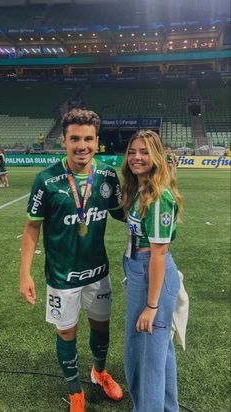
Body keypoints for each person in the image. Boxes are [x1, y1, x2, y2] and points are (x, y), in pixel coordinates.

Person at [20, 109, 124, 412]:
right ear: (63, 141)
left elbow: (121, 212)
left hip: (97, 272)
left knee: (101, 327)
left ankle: (99, 373)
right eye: (75, 138)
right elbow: (31, 228)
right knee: (67, 332)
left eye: (88, 138)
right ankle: (75, 390)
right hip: (62, 277)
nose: (82, 145)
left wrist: (151, 195)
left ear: (97, 141)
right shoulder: (46, 180)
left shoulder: (106, 175)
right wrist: (24, 275)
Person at [121, 129, 183, 412]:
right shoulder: (144, 189)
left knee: (144, 357)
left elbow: (159, 253)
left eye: (144, 152)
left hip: (151, 277)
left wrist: (151, 305)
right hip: (141, 271)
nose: (136, 157)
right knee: (158, 353)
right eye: (133, 151)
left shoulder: (158, 196)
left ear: (156, 156)